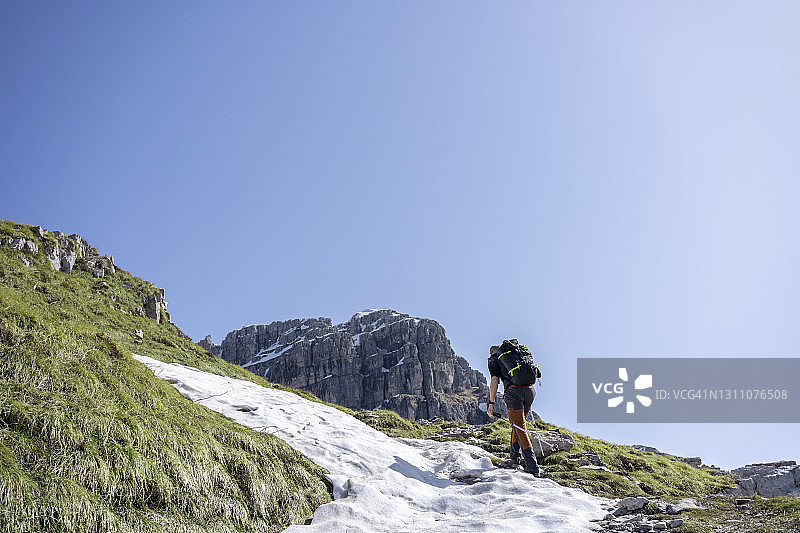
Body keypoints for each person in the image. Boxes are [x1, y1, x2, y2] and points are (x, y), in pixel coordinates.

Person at [487, 344, 540, 476]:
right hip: (530, 391)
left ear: (492, 353)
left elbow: (494, 380)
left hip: (514, 392)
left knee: (519, 427)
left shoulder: (494, 359)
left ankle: (532, 466)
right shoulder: (516, 356)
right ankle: (514, 459)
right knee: (517, 425)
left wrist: (491, 403)